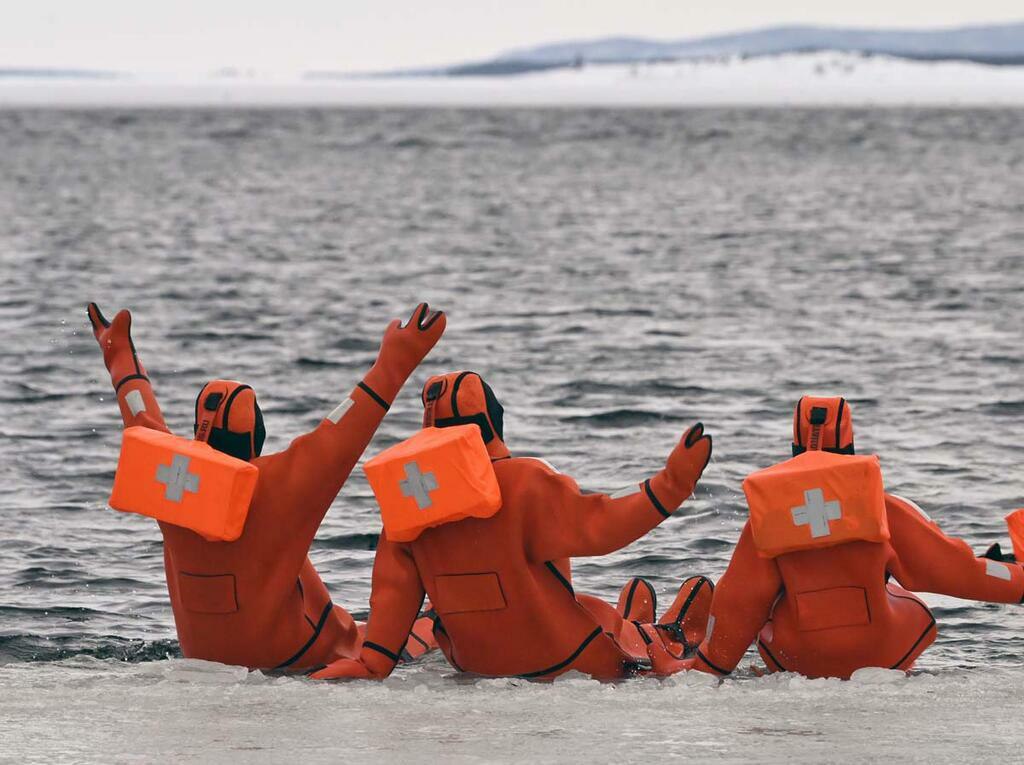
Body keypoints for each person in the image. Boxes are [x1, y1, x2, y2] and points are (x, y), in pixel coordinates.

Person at [87, 301, 445, 671]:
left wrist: (119, 356)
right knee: (424, 627)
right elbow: (342, 433)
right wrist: (397, 359)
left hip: (203, 653)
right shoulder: (278, 485)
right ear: (256, 437)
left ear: (198, 435)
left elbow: (140, 417)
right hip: (302, 655)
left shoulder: (170, 481)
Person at [312, 370, 714, 681]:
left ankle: (634, 617)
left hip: (474, 663)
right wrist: (669, 486)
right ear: (493, 421)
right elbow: (602, 523)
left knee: (449, 609)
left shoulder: (407, 503)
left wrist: (372, 663)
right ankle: (663, 632)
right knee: (599, 614)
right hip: (565, 658)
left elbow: (392, 596)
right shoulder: (525, 483)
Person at [670, 396, 1024, 680]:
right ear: (849, 443)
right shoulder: (883, 507)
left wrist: (709, 667)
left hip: (798, 660)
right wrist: (1018, 582)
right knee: (905, 595)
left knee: (767, 611)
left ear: (794, 444)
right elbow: (953, 571)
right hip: (884, 653)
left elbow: (739, 604)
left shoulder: (766, 519)